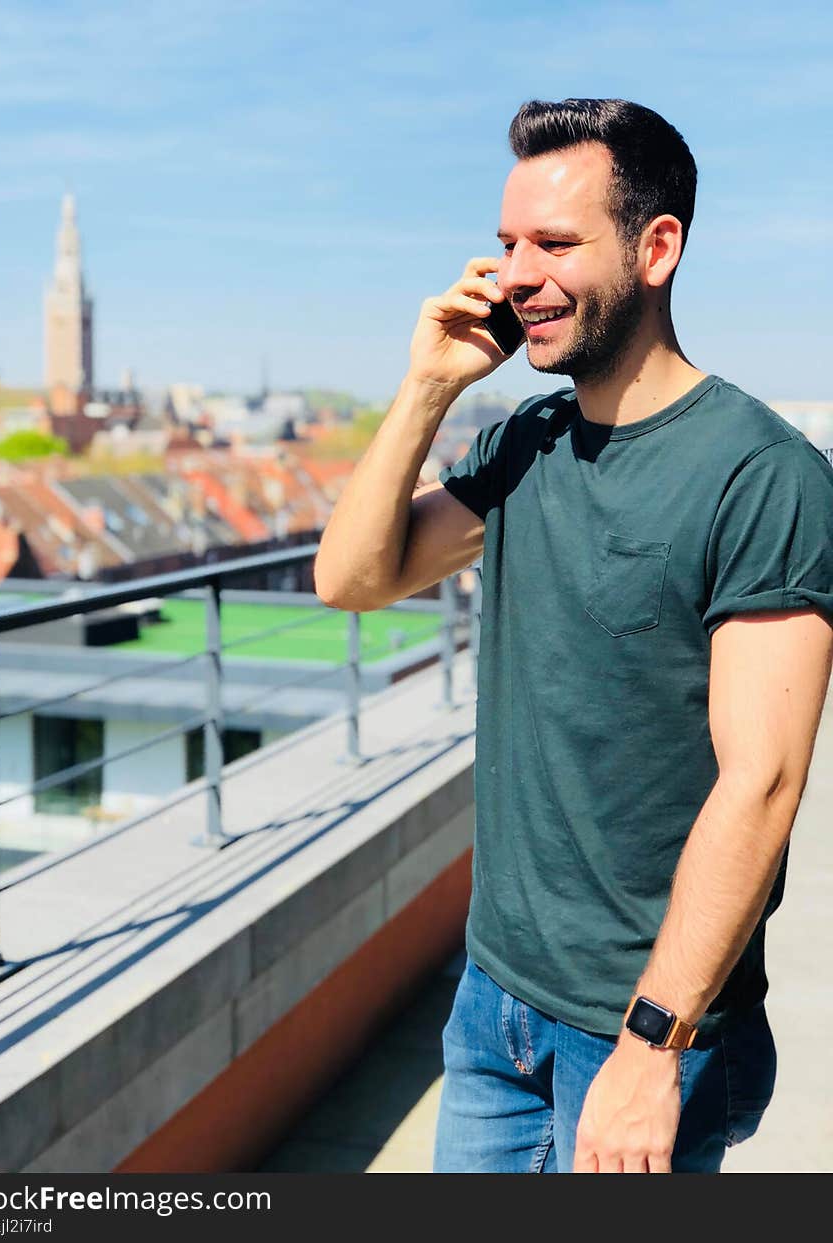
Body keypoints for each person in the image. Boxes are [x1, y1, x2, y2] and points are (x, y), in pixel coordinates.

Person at [313, 98, 833, 1173]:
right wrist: (424, 387)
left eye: (554, 244)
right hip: (492, 998)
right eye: (507, 244)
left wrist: (653, 1047)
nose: (515, 274)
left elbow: (764, 785)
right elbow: (350, 579)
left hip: (638, 1027)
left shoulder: (762, 474)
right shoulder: (527, 439)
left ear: (656, 247)